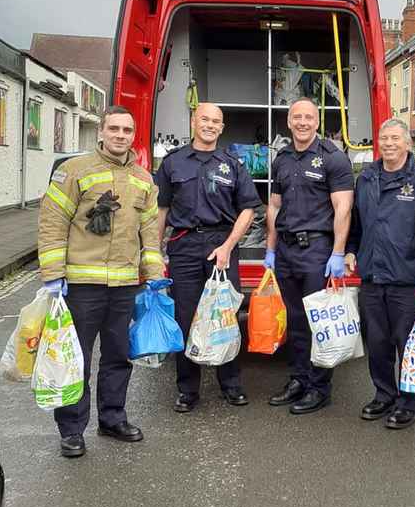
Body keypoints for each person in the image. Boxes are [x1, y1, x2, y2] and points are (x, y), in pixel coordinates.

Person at [38, 105, 164, 457]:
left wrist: (153, 275)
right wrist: (53, 276)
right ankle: (72, 430)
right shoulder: (73, 171)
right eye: (114, 129)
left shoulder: (144, 180)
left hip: (124, 285)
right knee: (75, 358)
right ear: (102, 132)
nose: (120, 135)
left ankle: (112, 419)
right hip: (81, 284)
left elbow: (149, 232)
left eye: (127, 130)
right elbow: (52, 223)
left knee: (118, 356)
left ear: (133, 135)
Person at [156, 103, 260, 413]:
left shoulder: (233, 163)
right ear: (193, 121)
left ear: (222, 127)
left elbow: (248, 208)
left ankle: (231, 385)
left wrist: (228, 246)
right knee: (185, 318)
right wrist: (152, 250)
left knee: (225, 317)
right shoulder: (173, 163)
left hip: (222, 245)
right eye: (205, 119)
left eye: (216, 121)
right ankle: (188, 390)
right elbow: (161, 210)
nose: (210, 125)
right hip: (184, 245)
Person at [344, 119, 415, 429]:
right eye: (384, 138)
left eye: (395, 138)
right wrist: (350, 250)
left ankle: (407, 403)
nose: (388, 143)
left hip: (408, 280)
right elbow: (356, 224)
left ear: (407, 144)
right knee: (378, 343)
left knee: (408, 345)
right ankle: (384, 394)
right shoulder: (367, 178)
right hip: (372, 277)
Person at [265, 97, 354, 414]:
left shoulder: (333, 158)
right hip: (286, 249)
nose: (302, 123)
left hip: (317, 249)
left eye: (308, 118)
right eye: (296, 118)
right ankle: (298, 379)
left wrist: (338, 252)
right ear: (288, 122)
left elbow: (343, 207)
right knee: (295, 319)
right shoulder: (282, 159)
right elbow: (274, 207)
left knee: (318, 319)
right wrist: (270, 249)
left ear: (317, 122)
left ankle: (319, 387)